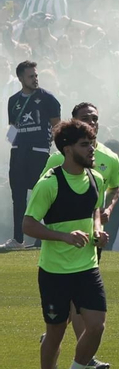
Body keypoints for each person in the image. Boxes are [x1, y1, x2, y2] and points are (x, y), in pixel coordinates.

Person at [24, 118, 108, 369]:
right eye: (85, 145)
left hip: (87, 269)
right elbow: (28, 225)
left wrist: (97, 229)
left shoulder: (95, 178)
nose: (92, 150)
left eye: (92, 143)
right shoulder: (49, 182)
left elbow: (95, 208)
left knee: (97, 327)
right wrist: (63, 236)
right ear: (67, 148)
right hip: (55, 273)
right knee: (56, 333)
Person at [7, 59, 61, 248]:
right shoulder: (13, 101)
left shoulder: (48, 98)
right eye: (31, 76)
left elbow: (57, 127)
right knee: (18, 196)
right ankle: (18, 240)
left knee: (42, 194)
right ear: (20, 78)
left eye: (36, 76)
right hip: (18, 152)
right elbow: (13, 128)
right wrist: (11, 142)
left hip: (39, 152)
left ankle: (43, 238)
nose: (35, 79)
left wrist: (49, 147)